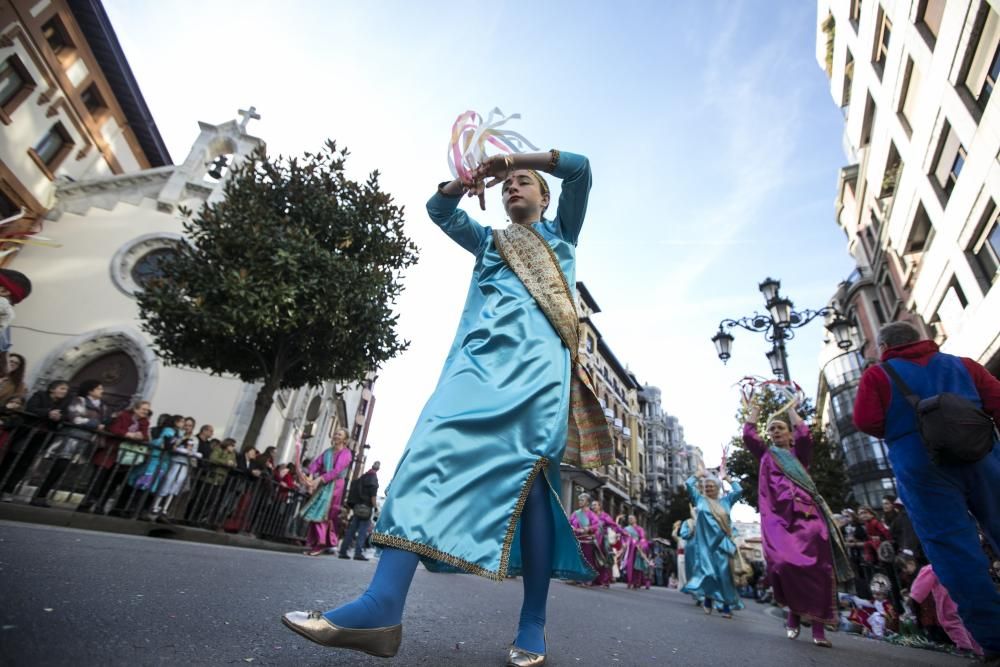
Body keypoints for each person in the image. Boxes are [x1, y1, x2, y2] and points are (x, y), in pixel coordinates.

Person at [283, 149, 602, 665]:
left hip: (536, 378)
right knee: (426, 453)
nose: (514, 188)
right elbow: (441, 212)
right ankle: (380, 606)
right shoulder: (489, 242)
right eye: (508, 186)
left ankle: (533, 622)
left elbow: (582, 169)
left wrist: (516, 157)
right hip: (473, 371)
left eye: (525, 183)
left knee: (532, 490)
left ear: (545, 197)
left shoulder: (563, 237)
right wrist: (465, 181)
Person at [853, 321, 1000, 660]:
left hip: (922, 467)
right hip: (982, 457)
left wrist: (904, 430)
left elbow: (866, 420)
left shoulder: (878, 375)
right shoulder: (962, 365)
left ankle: (994, 638)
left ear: (884, 346)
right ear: (920, 339)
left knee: (954, 551)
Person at [742, 397, 853, 648]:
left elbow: (805, 435)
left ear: (789, 435)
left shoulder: (799, 456)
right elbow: (750, 436)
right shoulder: (766, 455)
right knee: (782, 564)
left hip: (808, 519)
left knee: (817, 570)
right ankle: (793, 613)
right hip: (778, 521)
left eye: (780, 428)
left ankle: (818, 628)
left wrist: (791, 410)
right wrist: (755, 413)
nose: (775, 431)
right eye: (771, 429)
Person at [31, 379, 107, 507]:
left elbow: (103, 422)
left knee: (73, 469)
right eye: (99, 388)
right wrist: (95, 424)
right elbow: (75, 418)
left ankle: (60, 497)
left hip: (87, 440)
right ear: (90, 390)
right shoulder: (79, 400)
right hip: (71, 437)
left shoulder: (103, 406)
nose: (102, 391)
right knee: (59, 465)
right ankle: (40, 494)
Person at [681, 471, 743, 618]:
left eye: (711, 486)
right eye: (706, 486)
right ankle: (709, 597)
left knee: (724, 576)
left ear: (718, 487)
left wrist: (729, 479)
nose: (708, 488)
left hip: (722, 545)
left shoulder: (727, 501)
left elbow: (739, 490)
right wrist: (698, 475)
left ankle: (726, 607)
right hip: (704, 546)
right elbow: (689, 484)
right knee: (709, 574)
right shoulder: (700, 500)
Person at [0, 380, 70, 500]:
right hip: (27, 433)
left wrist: (59, 417)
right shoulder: (40, 395)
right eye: (62, 388)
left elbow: (65, 416)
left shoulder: (63, 403)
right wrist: (48, 412)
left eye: (66, 390)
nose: (65, 392)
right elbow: (31, 408)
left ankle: (8, 489)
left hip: (42, 437)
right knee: (12, 459)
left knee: (26, 463)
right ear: (52, 389)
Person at [78, 400, 151, 513]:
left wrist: (140, 436)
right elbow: (113, 429)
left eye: (147, 410)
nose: (145, 412)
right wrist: (128, 434)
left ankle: (100, 506)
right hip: (110, 452)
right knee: (98, 479)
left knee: (112, 482)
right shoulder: (123, 415)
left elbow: (146, 436)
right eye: (143, 409)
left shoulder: (144, 422)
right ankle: (87, 503)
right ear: (136, 409)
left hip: (125, 456)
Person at [300, 428, 353, 556]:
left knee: (324, 513)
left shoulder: (346, 453)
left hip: (334, 486)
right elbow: (316, 464)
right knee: (316, 512)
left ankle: (321, 543)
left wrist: (320, 479)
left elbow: (336, 471)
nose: (336, 435)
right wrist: (310, 475)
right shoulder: (327, 452)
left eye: (339, 434)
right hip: (322, 485)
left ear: (345, 439)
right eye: (335, 433)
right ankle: (315, 543)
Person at [151, 417, 202, 518]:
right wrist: (181, 440)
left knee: (178, 483)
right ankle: (156, 505)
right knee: (168, 481)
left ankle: (166, 507)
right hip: (174, 461)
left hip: (185, 463)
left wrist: (192, 453)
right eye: (186, 425)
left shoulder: (195, 439)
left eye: (190, 426)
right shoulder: (178, 434)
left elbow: (193, 451)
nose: (187, 427)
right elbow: (172, 445)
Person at [339, 461, 380, 561]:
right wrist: (375, 507)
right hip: (366, 508)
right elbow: (373, 496)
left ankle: (343, 551)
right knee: (362, 531)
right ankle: (358, 553)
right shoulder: (374, 479)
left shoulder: (363, 477)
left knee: (351, 530)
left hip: (358, 507)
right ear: (378, 469)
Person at [590, 499, 623, 588]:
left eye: (595, 505)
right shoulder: (590, 515)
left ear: (599, 506)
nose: (593, 507)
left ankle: (605, 581)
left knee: (604, 561)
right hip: (592, 540)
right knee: (593, 560)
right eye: (592, 505)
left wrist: (619, 533)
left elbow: (613, 525)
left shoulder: (604, 516)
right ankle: (595, 580)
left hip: (603, 541)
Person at [568, 493, 601, 582]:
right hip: (576, 539)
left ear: (587, 502)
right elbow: (569, 523)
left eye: (582, 500)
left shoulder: (591, 515)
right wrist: (571, 527)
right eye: (579, 500)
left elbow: (597, 526)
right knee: (575, 559)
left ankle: (586, 579)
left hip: (586, 540)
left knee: (587, 560)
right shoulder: (575, 513)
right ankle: (574, 578)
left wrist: (588, 528)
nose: (580, 501)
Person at [622, 514, 652, 590]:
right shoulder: (626, 528)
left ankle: (637, 582)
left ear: (635, 520)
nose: (630, 520)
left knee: (637, 566)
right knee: (629, 565)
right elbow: (623, 537)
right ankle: (630, 581)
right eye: (629, 519)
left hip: (637, 549)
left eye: (632, 518)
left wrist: (641, 545)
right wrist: (624, 543)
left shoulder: (640, 529)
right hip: (629, 549)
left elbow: (643, 538)